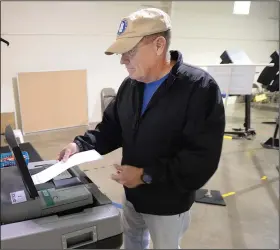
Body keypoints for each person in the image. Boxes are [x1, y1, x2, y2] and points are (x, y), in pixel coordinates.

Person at [58, 8, 225, 249]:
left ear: (159, 45)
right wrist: (80, 145)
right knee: (133, 243)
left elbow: (200, 160)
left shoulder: (198, 88)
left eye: (130, 52)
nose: (122, 60)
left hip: (168, 203)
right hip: (132, 195)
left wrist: (145, 175)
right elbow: (111, 129)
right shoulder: (130, 85)